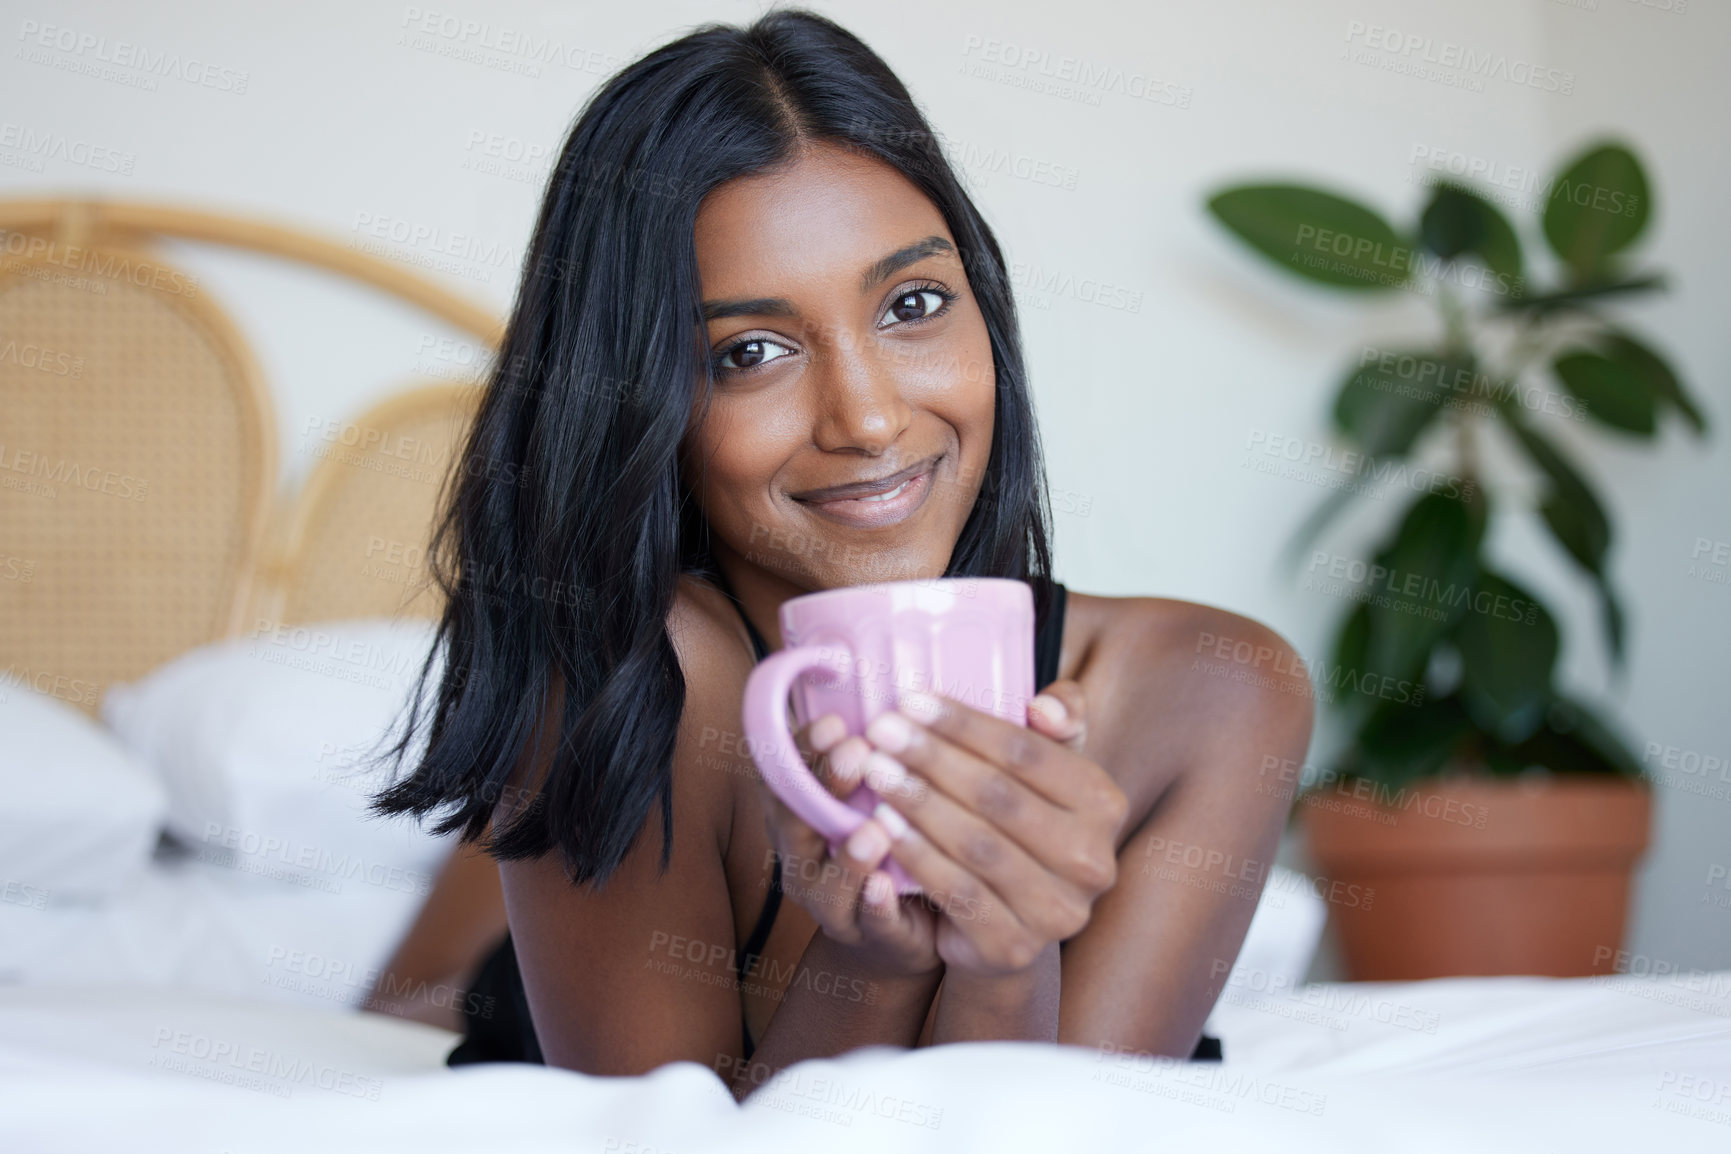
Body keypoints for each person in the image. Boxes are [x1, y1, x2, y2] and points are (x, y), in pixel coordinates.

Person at [369, 6, 1312, 1103]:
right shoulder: (636, 675)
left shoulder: (1213, 690)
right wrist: (871, 953)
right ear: (638, 399)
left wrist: (1002, 955)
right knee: (428, 989)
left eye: (914, 303)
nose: (867, 419)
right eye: (751, 351)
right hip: (565, 935)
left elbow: (1034, 1122)